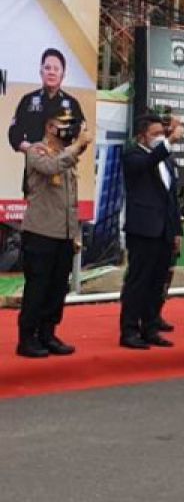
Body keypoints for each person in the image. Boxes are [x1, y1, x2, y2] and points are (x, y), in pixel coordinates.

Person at [16, 107, 92, 358]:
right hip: (40, 233)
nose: (69, 129)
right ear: (50, 127)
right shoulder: (37, 150)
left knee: (57, 288)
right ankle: (27, 338)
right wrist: (78, 146)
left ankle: (48, 334)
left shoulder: (66, 156)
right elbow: (50, 168)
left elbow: (70, 200)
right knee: (37, 287)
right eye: (64, 124)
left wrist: (75, 233)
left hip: (64, 234)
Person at [121, 114, 184, 350]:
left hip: (164, 231)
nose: (160, 138)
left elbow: (172, 199)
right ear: (141, 136)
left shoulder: (166, 160)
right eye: (155, 134)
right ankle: (129, 330)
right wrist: (169, 142)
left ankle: (150, 328)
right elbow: (146, 163)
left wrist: (176, 231)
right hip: (143, 230)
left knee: (157, 283)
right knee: (138, 282)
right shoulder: (133, 155)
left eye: (162, 133)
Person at [8, 49, 87, 198]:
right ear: (41, 71)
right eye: (47, 68)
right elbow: (14, 134)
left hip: (62, 175)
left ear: (63, 74)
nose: (51, 72)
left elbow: (83, 138)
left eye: (56, 69)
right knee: (34, 219)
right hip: (34, 174)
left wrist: (66, 153)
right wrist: (31, 149)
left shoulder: (72, 104)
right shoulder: (28, 101)